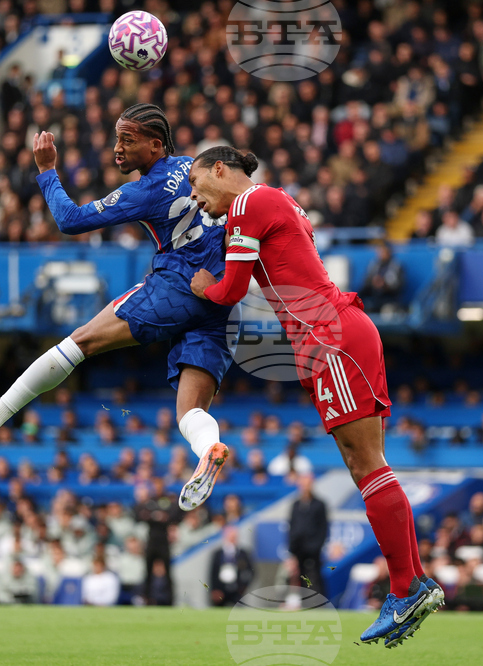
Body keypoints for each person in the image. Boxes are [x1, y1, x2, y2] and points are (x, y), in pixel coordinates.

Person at [186, 146, 442, 648]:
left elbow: (232, 289)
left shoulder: (247, 204)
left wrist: (203, 287)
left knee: (367, 464)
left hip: (330, 339)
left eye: (198, 184)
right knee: (368, 463)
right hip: (335, 335)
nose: (196, 198)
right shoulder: (274, 201)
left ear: (221, 170)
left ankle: (406, 586)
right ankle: (413, 582)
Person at [0, 104, 234, 513]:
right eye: (117, 138)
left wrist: (47, 172)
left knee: (79, 342)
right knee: (191, 411)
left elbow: (69, 219)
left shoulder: (145, 190)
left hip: (178, 285)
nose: (116, 149)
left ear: (155, 145)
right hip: (221, 297)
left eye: (127, 141)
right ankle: (210, 448)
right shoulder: (194, 167)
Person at [288, 473, 328, 594]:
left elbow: (323, 529)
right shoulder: (296, 505)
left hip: (313, 550)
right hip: (298, 549)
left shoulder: (319, 505)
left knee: (315, 576)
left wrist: (315, 547)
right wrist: (292, 549)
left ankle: (320, 603)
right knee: (300, 578)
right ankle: (303, 602)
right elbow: (292, 527)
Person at [208, 526, 254, 607]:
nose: (233, 540)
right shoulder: (218, 554)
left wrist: (243, 587)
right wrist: (214, 589)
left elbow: (251, 571)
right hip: (220, 589)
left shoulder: (243, 554)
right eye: (231, 537)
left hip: (236, 590)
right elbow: (212, 573)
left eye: (234, 537)